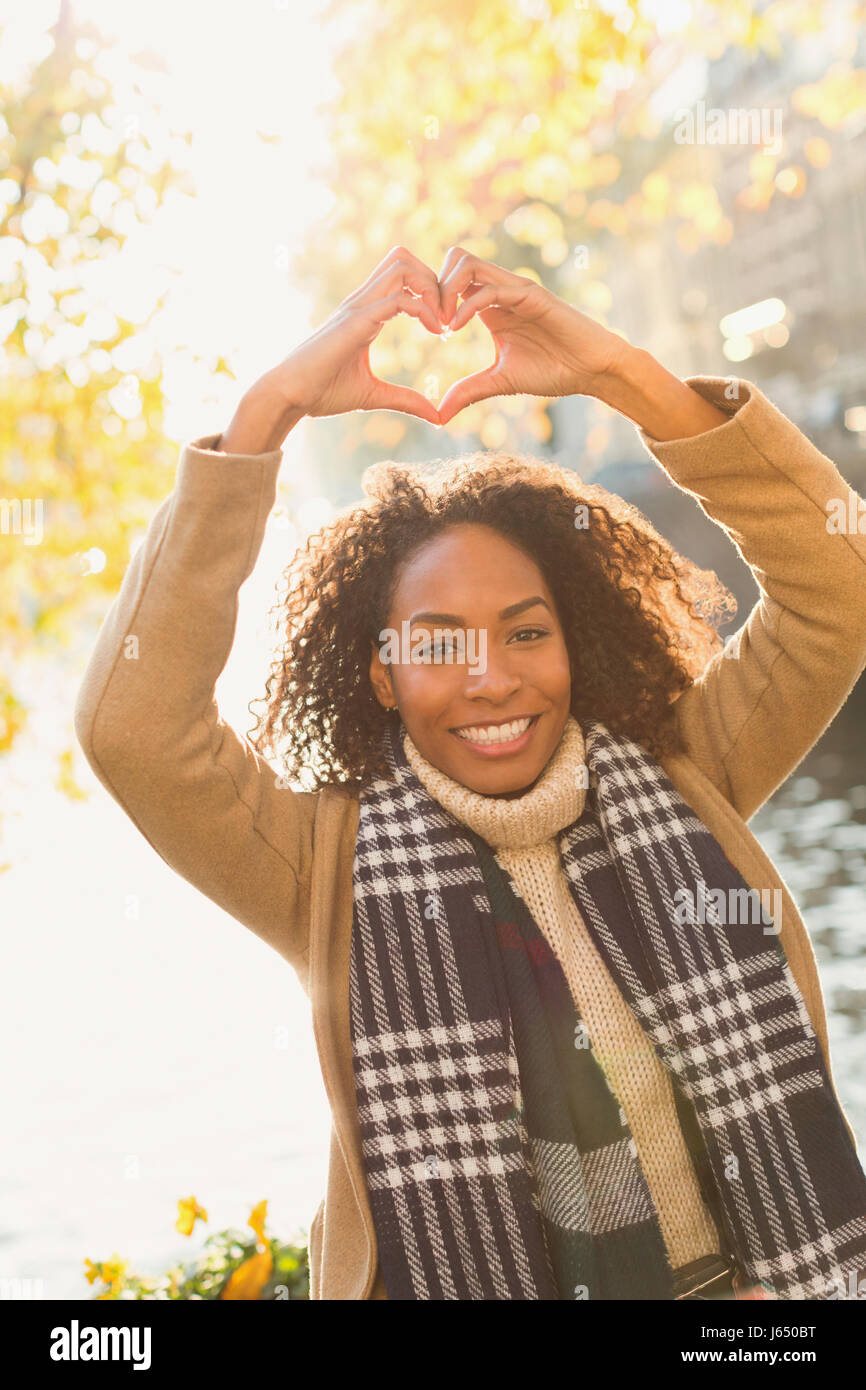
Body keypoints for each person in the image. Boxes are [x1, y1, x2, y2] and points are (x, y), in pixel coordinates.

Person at [75, 245, 866, 1301]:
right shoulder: (318, 868)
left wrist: (620, 376)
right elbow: (133, 725)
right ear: (382, 677)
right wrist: (266, 415)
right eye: (439, 642)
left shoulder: (689, 775)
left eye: (524, 632)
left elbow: (835, 584)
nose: (489, 677)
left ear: (571, 644)